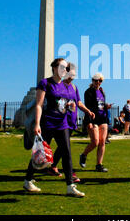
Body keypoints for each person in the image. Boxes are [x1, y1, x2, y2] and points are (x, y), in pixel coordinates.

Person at [23, 58, 85, 197]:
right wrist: (37, 123)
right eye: (63, 66)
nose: (65, 69)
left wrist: (70, 106)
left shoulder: (65, 86)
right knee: (40, 153)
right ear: (55, 68)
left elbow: (64, 102)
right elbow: (39, 105)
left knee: (66, 153)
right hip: (48, 122)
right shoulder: (45, 83)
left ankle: (70, 186)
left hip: (62, 123)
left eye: (67, 67)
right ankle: (28, 180)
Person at [49, 63, 95, 184]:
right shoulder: (59, 86)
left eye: (74, 75)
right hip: (60, 120)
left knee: (63, 145)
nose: (72, 77)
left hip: (71, 120)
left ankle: (52, 166)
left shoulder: (74, 87)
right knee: (65, 147)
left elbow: (78, 102)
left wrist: (88, 111)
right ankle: (70, 174)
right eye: (70, 75)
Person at [79, 73, 111, 172]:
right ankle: (84, 155)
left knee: (102, 142)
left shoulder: (102, 92)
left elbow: (100, 104)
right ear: (92, 80)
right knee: (95, 142)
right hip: (93, 118)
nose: (98, 82)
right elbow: (88, 106)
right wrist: (88, 121)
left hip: (103, 119)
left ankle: (99, 165)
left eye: (100, 80)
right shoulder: (88, 92)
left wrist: (106, 106)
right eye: (96, 80)